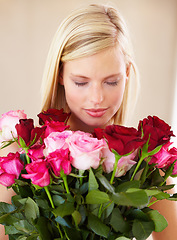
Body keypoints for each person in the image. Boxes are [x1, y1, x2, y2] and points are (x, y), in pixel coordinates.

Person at [0, 3, 177, 239]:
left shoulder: (143, 166)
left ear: (127, 73)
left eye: (111, 81)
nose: (97, 98)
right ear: (60, 74)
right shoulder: (20, 158)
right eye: (81, 82)